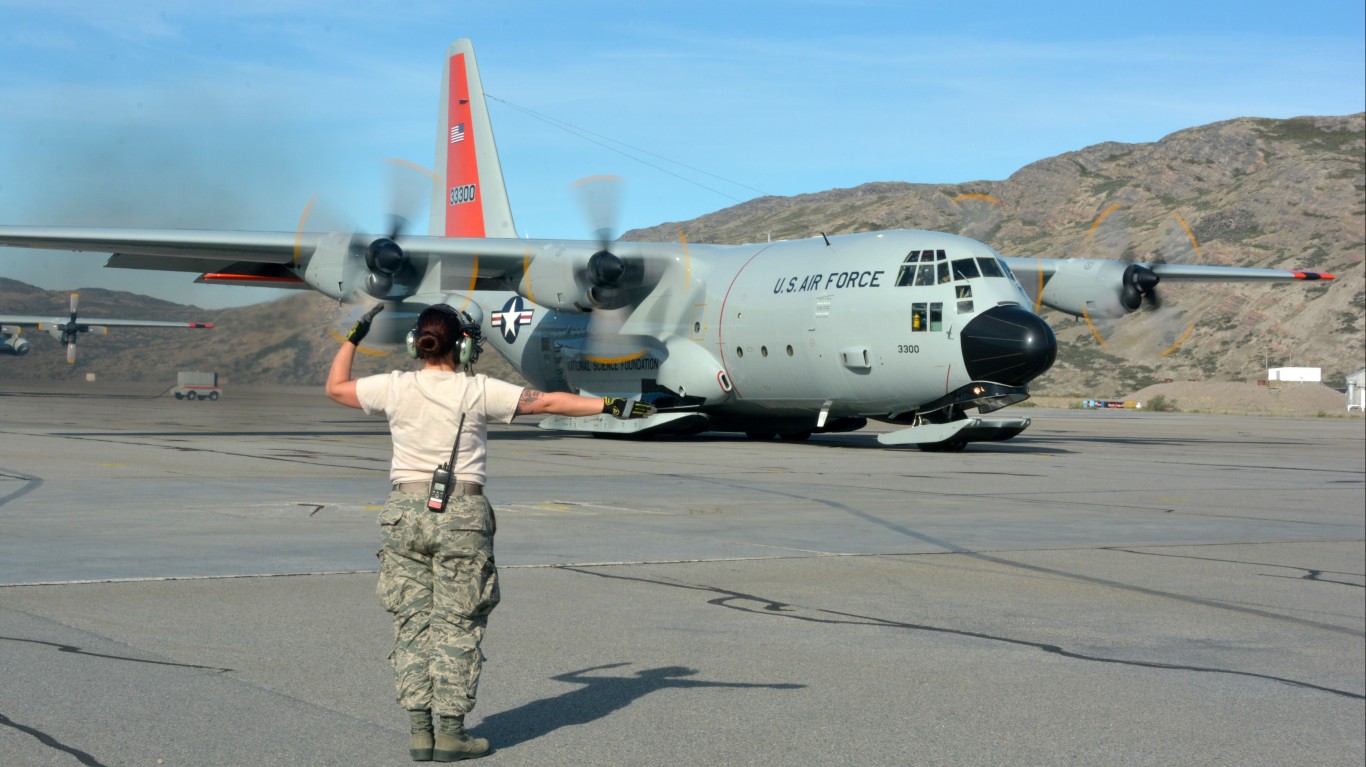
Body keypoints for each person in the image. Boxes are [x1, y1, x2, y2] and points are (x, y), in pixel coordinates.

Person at [325, 303, 654, 762]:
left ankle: (420, 733)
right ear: (462, 346)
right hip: (461, 511)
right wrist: (615, 405)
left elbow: (336, 387)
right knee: (459, 624)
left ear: (413, 344)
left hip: (403, 511)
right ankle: (452, 734)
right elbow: (551, 402)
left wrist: (354, 336)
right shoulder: (478, 389)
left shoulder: (393, 388)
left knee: (412, 622)